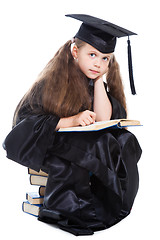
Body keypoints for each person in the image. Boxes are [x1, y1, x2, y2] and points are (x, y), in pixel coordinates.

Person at [3, 14, 142, 236]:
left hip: (83, 142)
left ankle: (115, 205)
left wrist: (98, 82)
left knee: (125, 140)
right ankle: (80, 210)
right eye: (93, 55)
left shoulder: (93, 79)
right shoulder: (51, 83)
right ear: (75, 52)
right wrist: (72, 120)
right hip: (53, 143)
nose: (98, 63)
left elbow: (104, 119)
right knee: (96, 145)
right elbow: (25, 123)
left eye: (105, 58)